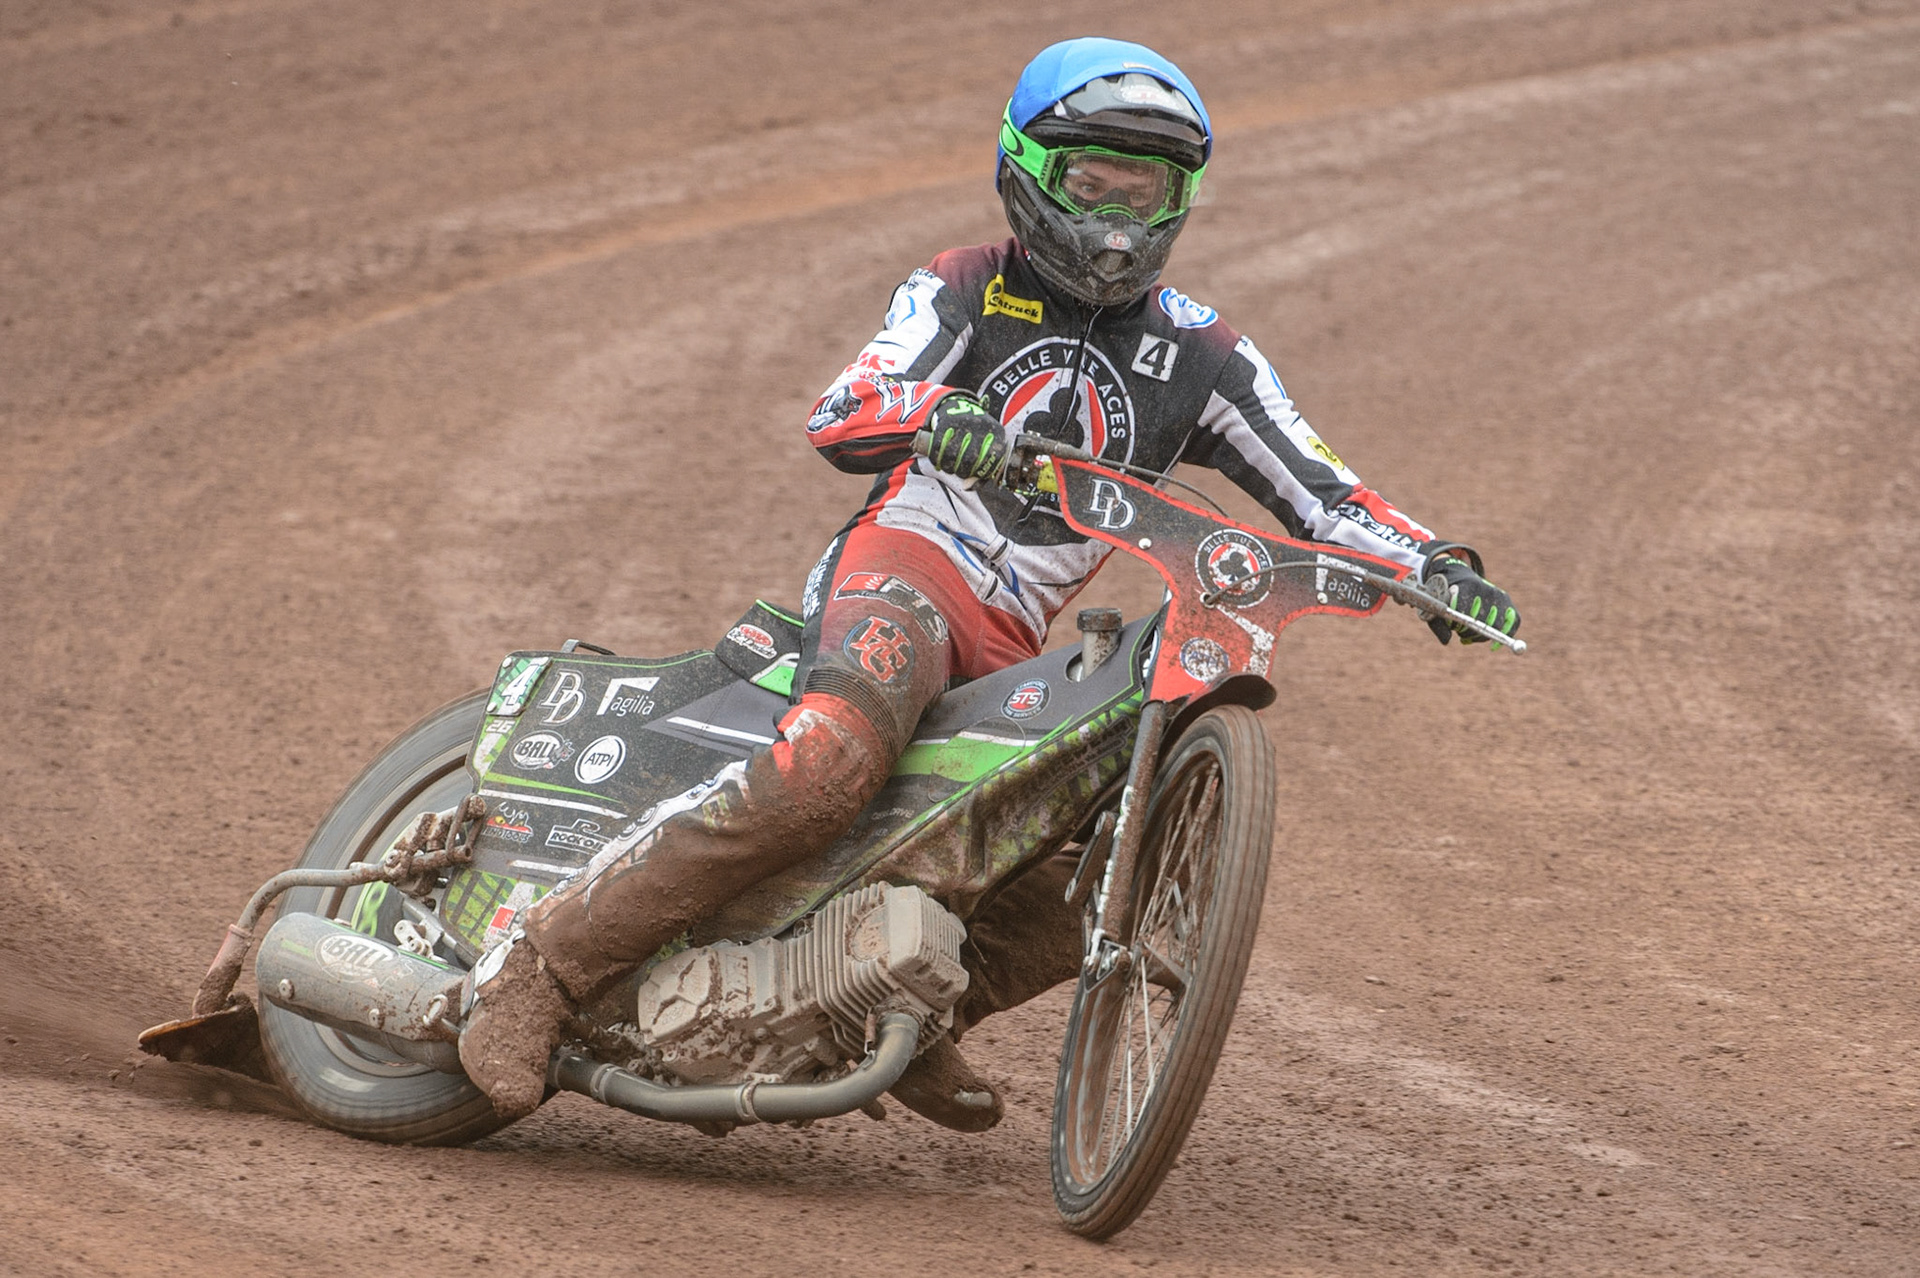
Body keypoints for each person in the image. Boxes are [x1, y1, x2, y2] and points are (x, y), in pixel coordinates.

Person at [459, 36, 1520, 1128]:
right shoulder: (964, 286)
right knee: (834, 762)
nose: (1114, 213)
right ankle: (540, 964)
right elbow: (845, 408)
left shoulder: (1203, 356)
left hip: (1017, 633)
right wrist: (935, 415)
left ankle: (899, 1016)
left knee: (1101, 876)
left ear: (1181, 199)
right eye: (1089, 180)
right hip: (908, 566)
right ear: (1027, 171)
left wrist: (1429, 563)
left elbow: (1324, 488)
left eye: (1142, 186)